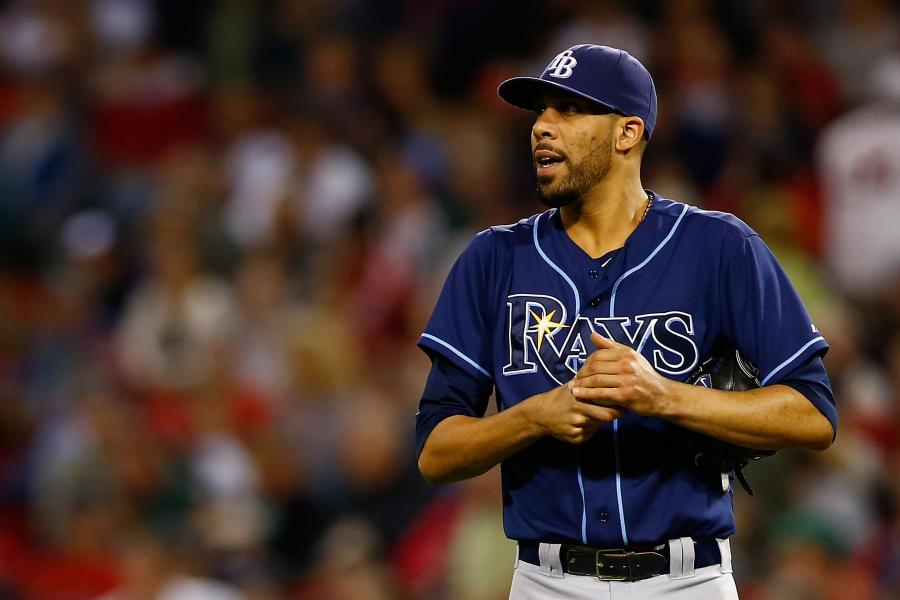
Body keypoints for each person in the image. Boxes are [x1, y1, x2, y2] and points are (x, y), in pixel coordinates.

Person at [414, 44, 838, 599]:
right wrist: (535, 416)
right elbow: (435, 453)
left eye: (568, 111)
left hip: (688, 580)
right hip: (546, 580)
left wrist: (666, 396)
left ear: (627, 133)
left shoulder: (717, 247)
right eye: (540, 111)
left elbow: (814, 415)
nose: (542, 126)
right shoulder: (493, 259)